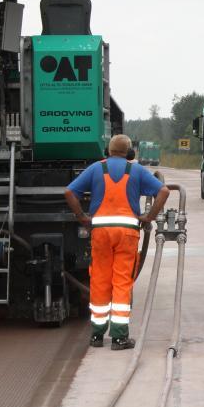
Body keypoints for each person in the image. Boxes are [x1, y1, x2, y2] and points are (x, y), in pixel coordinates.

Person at [64, 135, 170, 350]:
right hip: (127, 233)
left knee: (100, 280)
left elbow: (69, 192)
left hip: (100, 233)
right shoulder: (137, 170)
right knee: (122, 281)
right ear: (130, 152)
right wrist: (149, 217)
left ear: (108, 150)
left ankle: (96, 335)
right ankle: (119, 338)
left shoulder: (96, 168)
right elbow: (164, 191)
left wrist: (82, 217)